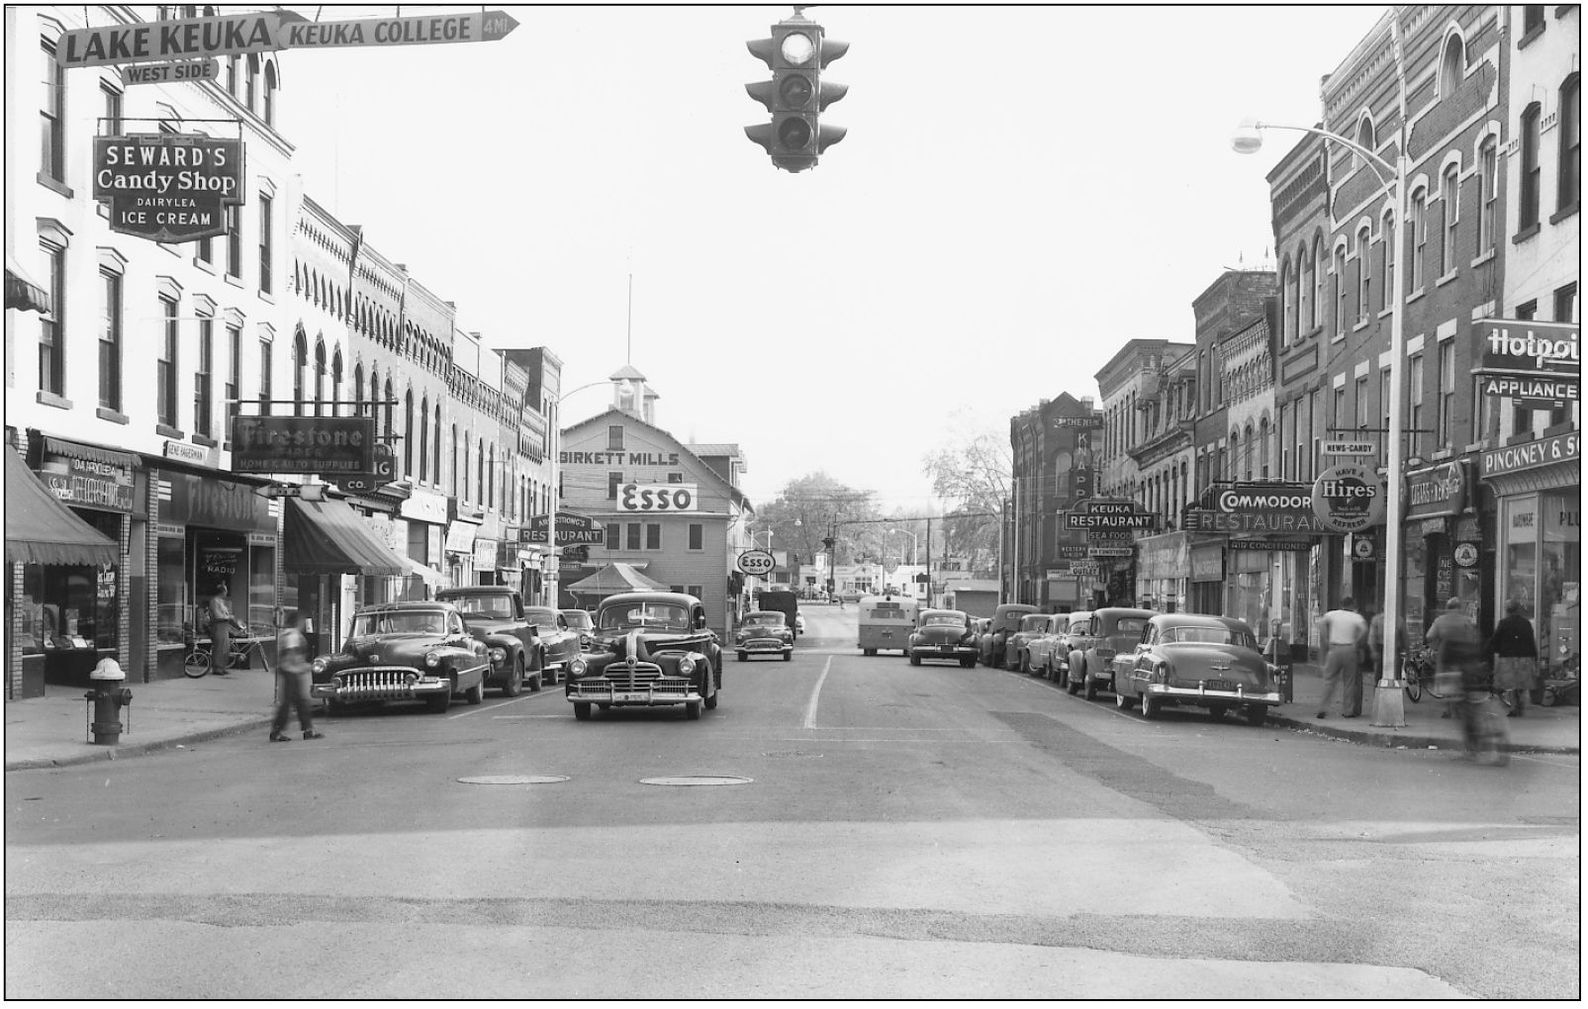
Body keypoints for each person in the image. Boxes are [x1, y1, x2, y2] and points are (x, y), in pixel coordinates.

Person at [271, 610, 323, 742]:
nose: (303, 624)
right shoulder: (292, 635)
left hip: (289, 671)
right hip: (291, 672)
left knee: (299, 702)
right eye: (301, 621)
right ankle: (278, 731)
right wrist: (303, 666)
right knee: (289, 703)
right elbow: (291, 653)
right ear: (297, 622)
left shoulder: (286, 634)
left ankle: (307, 730)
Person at [1425, 597, 1477, 721]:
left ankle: (1448, 709)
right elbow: (1473, 637)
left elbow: (1429, 636)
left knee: (1446, 680)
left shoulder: (1440, 620)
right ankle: (1462, 708)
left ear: (1447, 608)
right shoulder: (1467, 620)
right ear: (1459, 608)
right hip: (1463, 654)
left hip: (1446, 653)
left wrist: (1437, 643)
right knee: (1462, 680)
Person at [1315, 596, 1367, 719]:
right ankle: (1348, 710)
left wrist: (1326, 638)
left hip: (1334, 649)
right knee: (1349, 681)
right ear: (1353, 605)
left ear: (1341, 604)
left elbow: (1321, 624)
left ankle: (1322, 707)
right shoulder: (1356, 617)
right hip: (1349, 649)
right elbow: (1364, 630)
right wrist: (1357, 641)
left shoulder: (1332, 614)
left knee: (1329, 680)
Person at [1486, 599, 1539, 718]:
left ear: (1507, 610)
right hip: (1525, 657)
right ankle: (1520, 703)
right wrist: (1535, 657)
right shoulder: (1526, 623)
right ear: (1518, 609)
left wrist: (1491, 651)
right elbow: (1531, 641)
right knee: (1521, 683)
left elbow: (1495, 640)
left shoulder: (1504, 623)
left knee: (1510, 684)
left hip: (1508, 657)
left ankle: (1515, 707)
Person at [206, 582, 244, 677]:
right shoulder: (214, 601)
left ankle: (222, 667)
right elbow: (217, 615)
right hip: (218, 626)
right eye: (225, 590)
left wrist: (230, 618)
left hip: (224, 626)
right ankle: (217, 668)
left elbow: (225, 614)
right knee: (219, 646)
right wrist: (228, 618)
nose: (226, 592)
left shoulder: (221, 601)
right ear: (222, 591)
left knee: (225, 647)